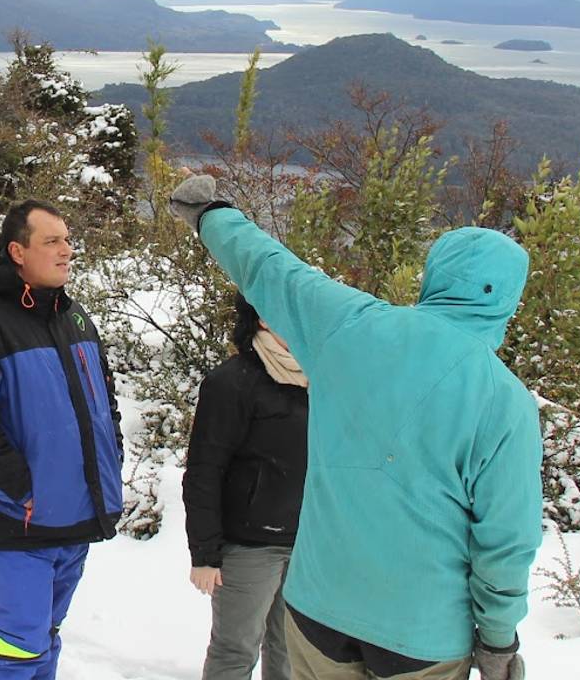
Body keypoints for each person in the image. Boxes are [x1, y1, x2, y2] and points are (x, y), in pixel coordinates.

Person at [168, 174, 540, 680]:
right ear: (508, 299)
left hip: (319, 610)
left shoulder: (350, 326)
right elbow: (506, 543)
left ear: (434, 276)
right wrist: (498, 643)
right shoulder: (505, 400)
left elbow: (270, 269)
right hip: (422, 633)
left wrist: (209, 213)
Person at [0, 200, 123, 680]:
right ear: (17, 251)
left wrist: (111, 458)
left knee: (45, 632)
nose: (67, 250)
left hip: (77, 511)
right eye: (52, 241)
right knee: (19, 639)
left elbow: (105, 403)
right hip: (17, 518)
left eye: (67, 239)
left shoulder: (75, 317)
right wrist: (22, 487)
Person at [184, 294, 309, 680]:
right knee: (235, 651)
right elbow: (204, 470)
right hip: (249, 547)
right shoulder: (232, 382)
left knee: (290, 652)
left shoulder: (315, 378)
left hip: (305, 544)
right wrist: (204, 553)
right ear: (263, 320)